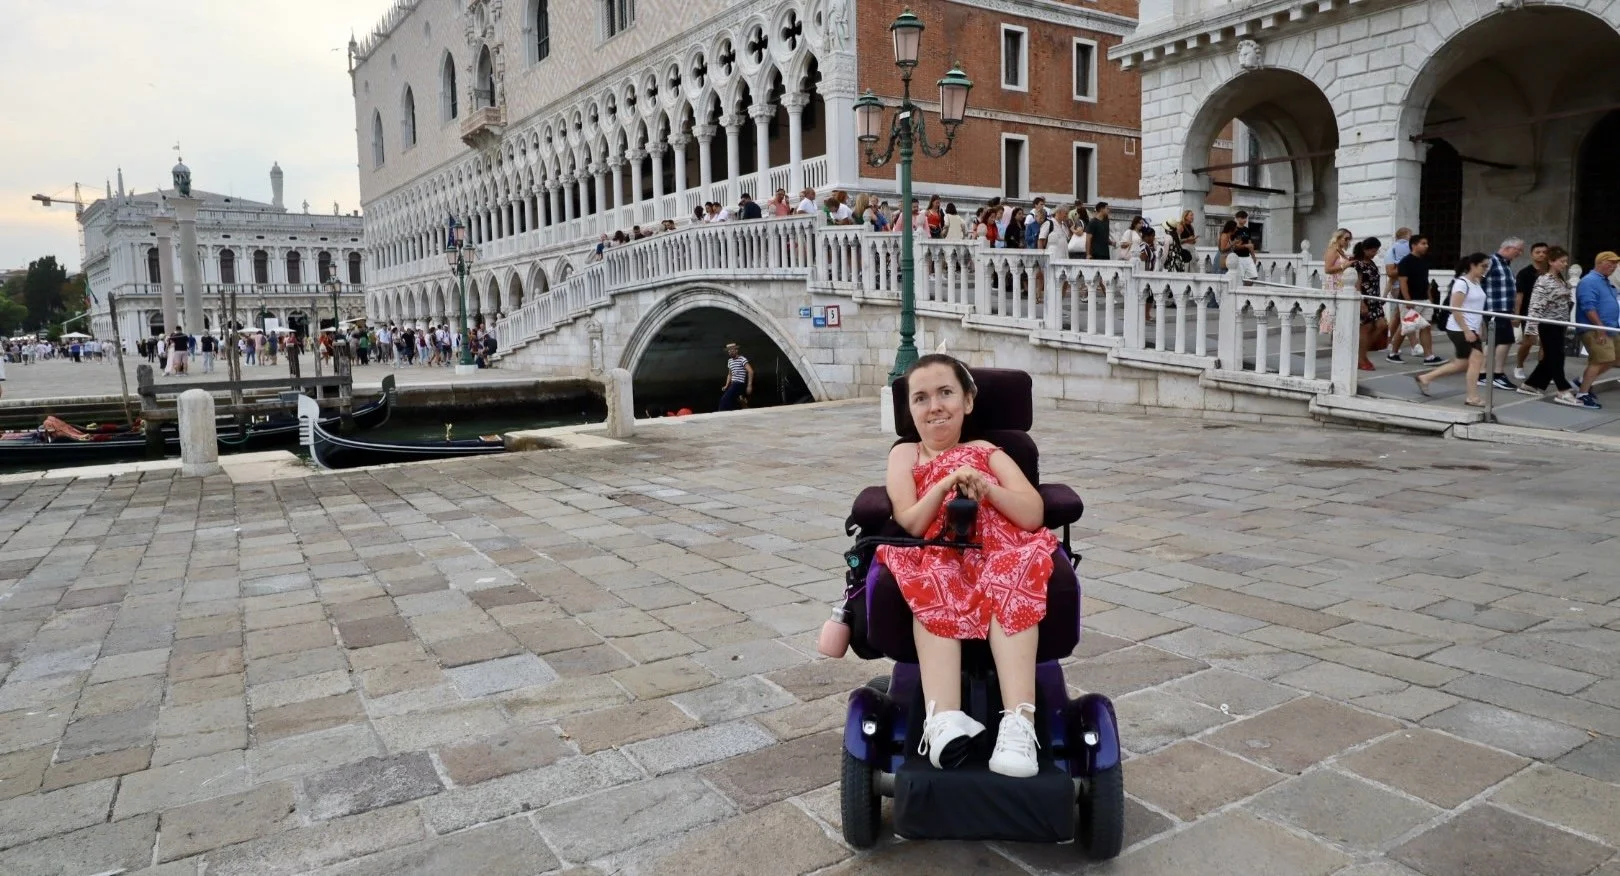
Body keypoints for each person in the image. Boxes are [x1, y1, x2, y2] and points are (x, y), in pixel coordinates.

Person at [877, 354, 1054, 778]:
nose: (934, 406)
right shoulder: (905, 455)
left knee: (1014, 572)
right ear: (910, 410)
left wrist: (987, 489)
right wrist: (944, 483)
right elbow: (912, 521)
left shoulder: (986, 451)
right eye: (921, 398)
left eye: (945, 393)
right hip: (938, 547)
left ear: (968, 401)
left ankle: (1018, 723)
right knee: (932, 577)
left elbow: (1032, 514)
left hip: (999, 545)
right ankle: (943, 722)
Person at [1415, 253, 1490, 406]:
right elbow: (1455, 309)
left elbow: (1477, 308)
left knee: (1462, 363)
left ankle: (1426, 378)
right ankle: (1472, 397)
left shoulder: (1476, 282)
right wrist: (1467, 331)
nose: (1485, 269)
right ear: (1473, 265)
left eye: (1486, 266)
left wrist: (1479, 328)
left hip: (1471, 328)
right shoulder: (1462, 283)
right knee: (1477, 360)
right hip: (1459, 328)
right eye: (1483, 266)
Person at [1519, 247, 1584, 406]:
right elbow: (1535, 306)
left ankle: (1532, 384)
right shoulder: (1544, 280)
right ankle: (1563, 390)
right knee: (1556, 356)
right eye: (1562, 261)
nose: (1565, 264)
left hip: (1559, 324)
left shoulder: (1560, 279)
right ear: (1551, 262)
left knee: (1551, 357)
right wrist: (1531, 329)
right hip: (1548, 325)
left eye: (1565, 261)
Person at [1575, 250, 1619, 408]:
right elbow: (1588, 306)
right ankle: (1582, 393)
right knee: (1601, 359)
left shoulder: (1606, 281)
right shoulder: (1589, 281)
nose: (1613, 266)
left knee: (1615, 358)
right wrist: (1599, 328)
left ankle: (1581, 381)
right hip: (1595, 328)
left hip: (1612, 327)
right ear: (1600, 263)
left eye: (1615, 264)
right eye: (1610, 263)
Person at [1479, 238, 1525, 390]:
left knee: (1499, 341)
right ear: (1508, 248)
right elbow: (1477, 279)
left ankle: (1488, 374)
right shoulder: (1491, 261)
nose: (1520, 253)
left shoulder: (1505, 264)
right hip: (1493, 308)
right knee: (1501, 340)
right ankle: (1493, 374)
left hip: (1502, 309)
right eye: (1518, 249)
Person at [1391, 234, 1444, 364]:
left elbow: (1426, 282)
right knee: (1406, 327)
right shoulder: (1405, 262)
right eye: (1423, 243)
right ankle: (1393, 353)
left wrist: (1429, 298)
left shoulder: (1424, 261)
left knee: (1426, 327)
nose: (1426, 246)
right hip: (1410, 300)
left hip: (1424, 299)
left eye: (1426, 243)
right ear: (1414, 245)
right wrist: (1408, 300)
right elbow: (1403, 282)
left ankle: (1429, 356)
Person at [1512, 242, 1549, 381]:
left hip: (1548, 313)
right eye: (1537, 252)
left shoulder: (1552, 271)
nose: (1541, 255)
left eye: (1544, 252)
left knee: (1546, 344)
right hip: (1529, 313)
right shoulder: (1524, 273)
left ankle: (1541, 371)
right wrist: (1516, 315)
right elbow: (1519, 295)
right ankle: (1519, 365)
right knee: (1529, 342)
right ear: (1532, 254)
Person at [1349, 237, 1385, 370]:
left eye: (1376, 250)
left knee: (1381, 325)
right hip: (1364, 299)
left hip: (1375, 300)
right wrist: (1362, 302)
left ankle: (1361, 353)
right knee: (1366, 328)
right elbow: (1357, 284)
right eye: (1373, 250)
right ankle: (1361, 358)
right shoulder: (1357, 264)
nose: (1375, 253)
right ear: (1365, 249)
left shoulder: (1372, 263)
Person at [718, 341, 753, 411]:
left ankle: (721, 413)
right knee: (737, 401)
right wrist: (726, 385)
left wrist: (749, 385)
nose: (730, 352)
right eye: (728, 351)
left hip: (739, 383)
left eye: (731, 350)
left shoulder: (742, 359)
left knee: (724, 399)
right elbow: (730, 374)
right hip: (733, 384)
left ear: (736, 350)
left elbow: (750, 371)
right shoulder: (730, 361)